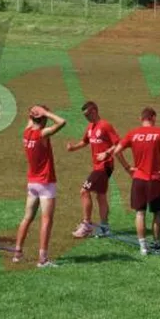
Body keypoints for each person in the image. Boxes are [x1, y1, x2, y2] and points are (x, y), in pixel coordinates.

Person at [100, 107, 160, 255]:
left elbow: (116, 151)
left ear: (141, 119)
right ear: (154, 117)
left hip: (138, 179)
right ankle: (157, 245)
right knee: (158, 212)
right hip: (154, 179)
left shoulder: (133, 133)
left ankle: (143, 247)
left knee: (140, 213)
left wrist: (127, 167)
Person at [14, 105, 67, 268]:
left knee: (27, 218)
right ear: (43, 119)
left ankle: (17, 253)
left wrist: (35, 112)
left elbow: (31, 120)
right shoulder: (42, 134)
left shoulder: (26, 133)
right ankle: (43, 259)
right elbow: (62, 122)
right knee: (46, 219)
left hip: (32, 183)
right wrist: (47, 113)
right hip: (46, 183)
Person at [65, 101, 121, 238]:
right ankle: (104, 227)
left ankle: (87, 225)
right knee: (101, 196)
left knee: (84, 191)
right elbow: (85, 141)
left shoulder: (105, 125)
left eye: (88, 114)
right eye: (85, 115)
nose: (87, 117)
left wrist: (106, 153)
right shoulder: (90, 127)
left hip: (105, 166)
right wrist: (73, 148)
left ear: (94, 110)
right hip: (98, 166)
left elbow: (118, 143)